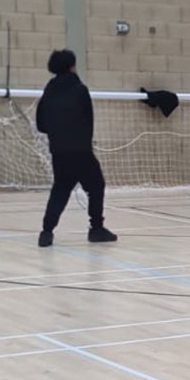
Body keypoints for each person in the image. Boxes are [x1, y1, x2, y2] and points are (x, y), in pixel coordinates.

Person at [35, 49, 117, 247]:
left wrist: (58, 134)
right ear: (72, 65)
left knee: (60, 190)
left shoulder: (49, 90)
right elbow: (89, 120)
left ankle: (46, 232)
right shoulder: (80, 89)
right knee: (96, 186)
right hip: (80, 151)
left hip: (58, 151)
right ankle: (96, 228)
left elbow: (41, 124)